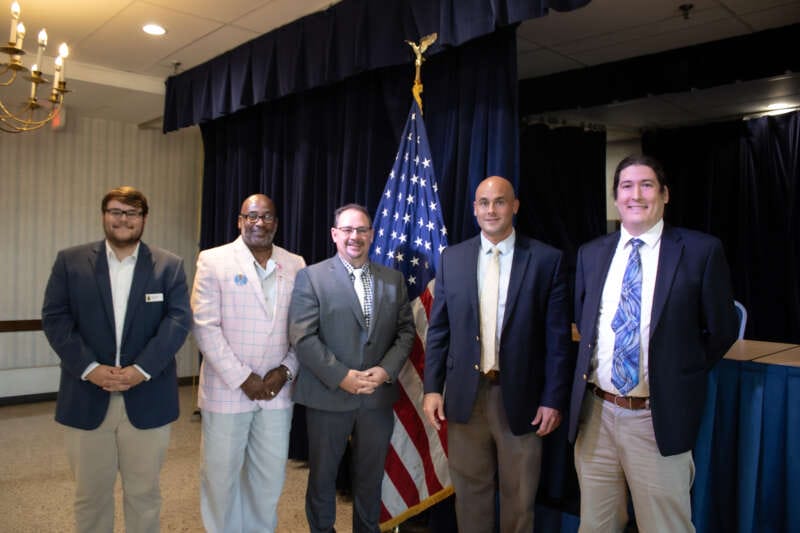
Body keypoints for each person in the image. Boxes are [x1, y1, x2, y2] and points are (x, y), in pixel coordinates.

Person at [567, 155, 739, 532]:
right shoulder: (591, 253)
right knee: (595, 525)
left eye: (646, 185)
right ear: (615, 198)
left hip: (654, 418)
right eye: (626, 186)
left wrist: (676, 374)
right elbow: (585, 322)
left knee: (666, 527)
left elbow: (722, 330)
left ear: (664, 195)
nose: (636, 195)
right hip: (596, 415)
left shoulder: (699, 251)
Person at [423, 176, 573, 533]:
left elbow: (557, 341)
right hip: (465, 396)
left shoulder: (546, 260)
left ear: (515, 206)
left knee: (519, 497)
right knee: (470, 496)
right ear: (474, 209)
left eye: (500, 202)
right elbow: (439, 331)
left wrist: (553, 398)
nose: (492, 210)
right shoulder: (452, 259)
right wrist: (432, 388)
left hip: (520, 397)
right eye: (484, 203)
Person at [41, 186, 191, 533]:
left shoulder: (169, 266)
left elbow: (178, 321)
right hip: (87, 396)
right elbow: (56, 318)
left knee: (144, 494)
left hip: (148, 397)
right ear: (104, 215)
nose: (124, 219)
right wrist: (90, 369)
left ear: (144, 219)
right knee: (90, 496)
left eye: (132, 213)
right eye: (116, 211)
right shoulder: (71, 261)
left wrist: (142, 370)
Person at [289, 203, 415, 533]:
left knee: (370, 479)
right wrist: (341, 376)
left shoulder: (393, 280)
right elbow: (303, 337)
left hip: (376, 398)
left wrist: (386, 370)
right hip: (328, 394)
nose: (354, 237)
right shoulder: (311, 277)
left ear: (372, 235)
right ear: (334, 234)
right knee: (323, 478)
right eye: (347, 230)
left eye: (361, 230)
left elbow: (405, 332)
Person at [191, 194, 306, 532]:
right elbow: (205, 326)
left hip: (277, 394)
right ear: (239, 221)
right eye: (252, 216)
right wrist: (245, 379)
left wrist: (285, 371)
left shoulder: (295, 264)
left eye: (267, 216)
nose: (260, 222)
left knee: (268, 479)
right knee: (220, 477)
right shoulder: (213, 261)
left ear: (276, 223)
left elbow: (304, 328)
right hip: (227, 391)